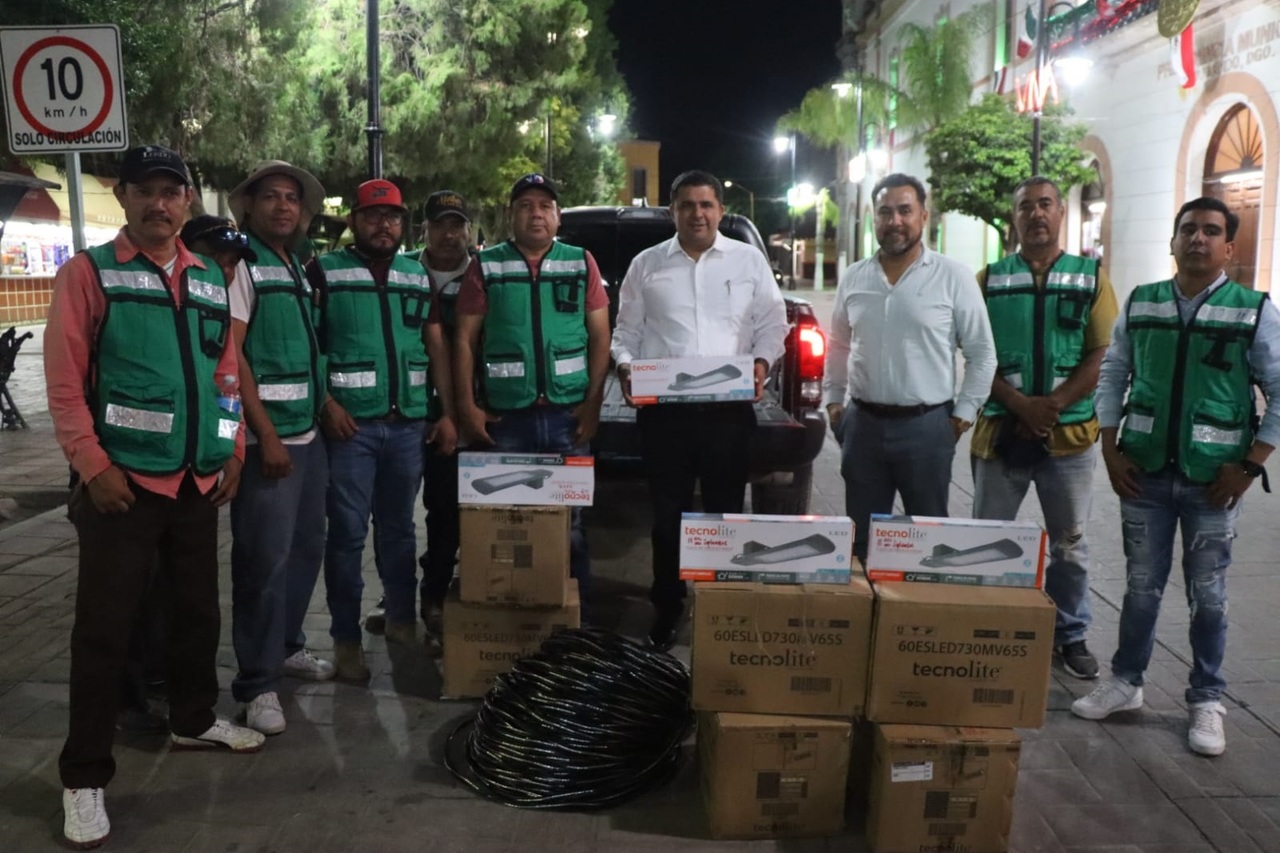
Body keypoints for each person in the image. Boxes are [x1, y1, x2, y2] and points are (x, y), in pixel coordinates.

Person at [45, 144, 265, 849]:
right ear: (124, 196)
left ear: (188, 201)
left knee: (198, 612)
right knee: (104, 633)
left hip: (197, 482)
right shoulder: (90, 273)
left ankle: (194, 717)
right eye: (146, 191)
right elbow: (63, 380)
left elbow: (226, 374)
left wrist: (231, 446)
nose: (160, 204)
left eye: (173, 193)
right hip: (124, 485)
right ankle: (83, 777)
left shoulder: (207, 278)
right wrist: (90, 464)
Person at [1071, 197, 1280, 757]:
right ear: (1173, 241)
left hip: (1214, 482)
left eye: (1212, 231)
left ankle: (1207, 699)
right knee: (1140, 589)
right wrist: (1109, 447)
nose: (1198, 238)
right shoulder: (1143, 303)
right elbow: (1113, 373)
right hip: (1143, 474)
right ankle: (1126, 682)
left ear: (1229, 249)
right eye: (1188, 229)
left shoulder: (1253, 309)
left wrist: (1250, 465)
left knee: (1208, 596)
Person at [611, 170, 787, 650]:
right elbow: (624, 333)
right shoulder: (646, 265)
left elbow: (774, 324)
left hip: (728, 415)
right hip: (665, 416)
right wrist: (626, 367)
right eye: (687, 205)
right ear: (673, 211)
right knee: (668, 518)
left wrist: (761, 361)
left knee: (725, 516)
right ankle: (668, 606)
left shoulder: (748, 261)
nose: (697, 214)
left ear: (720, 211)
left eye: (706, 204)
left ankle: (722, 608)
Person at [970, 177, 1119, 681]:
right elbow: (972, 354)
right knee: (985, 540)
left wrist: (1050, 405)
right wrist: (1018, 404)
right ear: (1013, 217)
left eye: (1046, 205)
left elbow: (1105, 353)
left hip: (1068, 438)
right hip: (1001, 433)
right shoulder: (988, 279)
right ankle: (983, 627)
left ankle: (1070, 634)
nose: (1036, 214)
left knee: (1071, 545)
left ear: (1061, 213)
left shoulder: (1090, 276)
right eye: (1026, 206)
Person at [306, 179, 455, 681]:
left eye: (392, 216)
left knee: (399, 532)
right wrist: (325, 403)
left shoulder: (417, 275)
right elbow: (309, 345)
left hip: (407, 426)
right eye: (372, 216)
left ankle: (400, 619)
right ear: (354, 221)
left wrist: (447, 411)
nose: (383, 224)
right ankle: (346, 637)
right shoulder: (323, 271)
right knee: (347, 535)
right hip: (352, 431)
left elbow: (435, 347)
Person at [454, 174, 611, 611]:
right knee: (505, 521)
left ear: (558, 216)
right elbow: (465, 340)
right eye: (525, 205)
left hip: (568, 415)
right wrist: (468, 406)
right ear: (511, 215)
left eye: (545, 205)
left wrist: (593, 402)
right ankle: (509, 612)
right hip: (508, 419)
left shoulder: (581, 262)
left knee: (571, 524)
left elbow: (601, 336)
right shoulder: (486, 266)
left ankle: (576, 622)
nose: (536, 213)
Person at [824, 173, 996, 559]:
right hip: (863, 427)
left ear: (924, 216)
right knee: (862, 544)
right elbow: (837, 345)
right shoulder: (854, 277)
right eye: (885, 212)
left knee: (927, 542)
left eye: (905, 210)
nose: (895, 221)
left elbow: (982, 352)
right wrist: (835, 404)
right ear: (874, 218)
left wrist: (961, 417)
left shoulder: (953, 277)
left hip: (927, 428)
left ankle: (919, 619)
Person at [220, 161, 334, 734]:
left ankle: (287, 645)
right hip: (274, 441)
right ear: (250, 206)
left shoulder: (297, 264)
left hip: (308, 437)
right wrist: (263, 434)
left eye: (292, 198)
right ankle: (257, 684)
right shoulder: (243, 267)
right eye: (271, 197)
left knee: (305, 548)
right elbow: (233, 356)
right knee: (261, 562)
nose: (283, 206)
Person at [364, 190, 473, 645]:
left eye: (457, 224)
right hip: (403, 413)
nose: (450, 234)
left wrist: (460, 412)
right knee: (392, 515)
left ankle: (432, 596)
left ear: (469, 229)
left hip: (456, 417)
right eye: (440, 224)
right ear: (423, 230)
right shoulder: (403, 270)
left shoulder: (482, 274)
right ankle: (396, 597)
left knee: (445, 512)